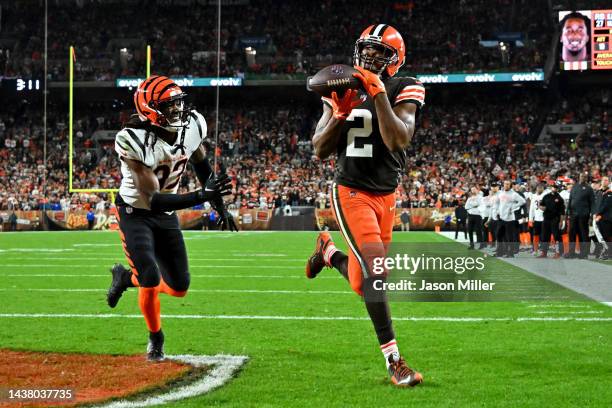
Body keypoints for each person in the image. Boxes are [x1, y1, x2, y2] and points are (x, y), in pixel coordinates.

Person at [305, 24, 424, 387]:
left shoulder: (406, 86)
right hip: (351, 191)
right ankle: (395, 361)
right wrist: (339, 114)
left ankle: (328, 254)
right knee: (377, 273)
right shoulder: (341, 85)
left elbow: (398, 138)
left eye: (379, 53)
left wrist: (377, 94)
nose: (369, 58)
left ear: (395, 60)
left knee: (362, 282)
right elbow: (320, 148)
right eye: (366, 50)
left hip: (385, 196)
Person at [105, 76, 238, 361]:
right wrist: (202, 196)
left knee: (179, 288)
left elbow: (201, 162)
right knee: (151, 278)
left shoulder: (191, 126)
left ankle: (126, 278)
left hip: (165, 215)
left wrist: (219, 206)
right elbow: (153, 199)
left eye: (179, 103)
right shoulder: (131, 139)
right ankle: (156, 339)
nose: (178, 110)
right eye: (170, 105)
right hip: (136, 213)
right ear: (149, 109)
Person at [566, 173, 594, 259]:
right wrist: (567, 212)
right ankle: (571, 252)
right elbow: (570, 200)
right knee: (572, 234)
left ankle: (584, 254)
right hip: (573, 215)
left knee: (583, 235)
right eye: (582, 176)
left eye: (585, 177)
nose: (583, 178)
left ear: (586, 178)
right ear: (579, 177)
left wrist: (591, 216)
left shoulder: (589, 189)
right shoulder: (574, 187)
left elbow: (592, 203)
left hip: (584, 215)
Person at [496, 180, 526, 257]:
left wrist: (513, 207)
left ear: (510, 185)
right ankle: (500, 252)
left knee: (509, 237)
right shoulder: (500, 193)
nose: (506, 185)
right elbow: (498, 203)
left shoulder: (513, 194)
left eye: (508, 184)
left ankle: (511, 253)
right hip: (501, 217)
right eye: (505, 184)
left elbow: (523, 201)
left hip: (509, 218)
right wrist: (497, 211)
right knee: (499, 235)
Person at [538, 181, 565, 258]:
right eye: (553, 187)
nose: (554, 188)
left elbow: (562, 212)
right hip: (546, 218)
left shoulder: (560, 198)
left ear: (558, 188)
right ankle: (544, 252)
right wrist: (541, 207)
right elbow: (541, 205)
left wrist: (561, 221)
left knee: (557, 236)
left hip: (555, 219)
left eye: (556, 187)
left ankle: (558, 252)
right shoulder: (546, 196)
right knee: (544, 236)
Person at [528, 183, 547, 254]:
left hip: (544, 219)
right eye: (538, 188)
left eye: (541, 188)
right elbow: (531, 209)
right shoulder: (534, 196)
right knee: (535, 234)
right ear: (536, 188)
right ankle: (535, 249)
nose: (539, 189)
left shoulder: (546, 196)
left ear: (543, 188)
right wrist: (530, 219)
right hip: (536, 219)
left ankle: (543, 250)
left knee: (543, 235)